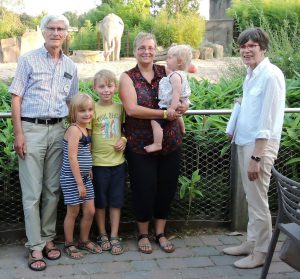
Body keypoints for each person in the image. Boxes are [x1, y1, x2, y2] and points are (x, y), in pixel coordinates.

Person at [10, 14, 78, 271]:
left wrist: (74, 133)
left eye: (61, 29)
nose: (56, 32)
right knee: (32, 193)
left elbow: (71, 103)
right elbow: (16, 98)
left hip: (59, 129)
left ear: (66, 33)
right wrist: (19, 133)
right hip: (31, 129)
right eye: (51, 28)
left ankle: (49, 238)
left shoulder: (71, 66)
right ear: (42, 31)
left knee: (52, 190)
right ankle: (35, 245)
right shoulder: (28, 60)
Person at [118, 32, 189, 254]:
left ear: (155, 49)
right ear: (134, 51)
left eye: (150, 47)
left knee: (166, 188)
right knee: (143, 189)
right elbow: (131, 109)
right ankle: (142, 233)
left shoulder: (164, 71)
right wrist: (163, 113)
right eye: (142, 48)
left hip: (171, 142)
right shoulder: (127, 77)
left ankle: (160, 232)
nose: (146, 51)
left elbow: (180, 91)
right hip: (140, 145)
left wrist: (184, 106)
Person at [223, 27, 286, 269]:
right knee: (251, 198)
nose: (247, 50)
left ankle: (261, 252)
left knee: (258, 201)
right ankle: (250, 243)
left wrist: (257, 157)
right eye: (243, 46)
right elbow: (249, 109)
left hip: (259, 147)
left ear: (263, 48)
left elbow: (268, 121)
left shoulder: (271, 75)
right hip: (244, 141)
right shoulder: (251, 74)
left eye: (252, 46)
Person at [60, 94, 101, 259]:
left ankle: (84, 240)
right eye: (82, 111)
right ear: (73, 112)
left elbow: (86, 152)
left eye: (90, 110)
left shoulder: (86, 128)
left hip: (84, 178)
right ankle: (69, 243)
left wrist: (88, 169)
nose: (87, 114)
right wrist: (79, 183)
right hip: (72, 179)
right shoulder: (74, 130)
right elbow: (72, 157)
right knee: (73, 211)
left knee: (90, 210)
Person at [90, 69, 126, 255]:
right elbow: (86, 136)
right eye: (102, 86)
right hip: (98, 164)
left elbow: (126, 130)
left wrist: (124, 140)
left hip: (118, 164)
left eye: (110, 86)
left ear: (116, 87)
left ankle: (114, 235)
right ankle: (102, 234)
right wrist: (87, 164)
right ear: (95, 88)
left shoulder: (120, 108)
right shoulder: (92, 109)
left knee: (116, 201)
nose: (106, 90)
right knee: (100, 202)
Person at [144, 44, 192, 153]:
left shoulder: (175, 76)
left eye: (170, 57)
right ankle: (183, 130)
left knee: (155, 121)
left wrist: (171, 107)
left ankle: (157, 143)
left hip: (170, 105)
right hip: (177, 104)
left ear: (179, 61)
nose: (167, 59)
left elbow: (176, 93)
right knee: (178, 115)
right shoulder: (182, 74)